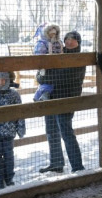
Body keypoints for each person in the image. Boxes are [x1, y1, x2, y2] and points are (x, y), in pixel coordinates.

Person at [37, 31, 86, 173]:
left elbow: (61, 77)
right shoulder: (56, 54)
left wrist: (46, 75)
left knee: (66, 132)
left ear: (78, 43)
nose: (69, 42)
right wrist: (44, 75)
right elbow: (40, 75)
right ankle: (56, 163)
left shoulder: (80, 58)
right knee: (51, 131)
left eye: (73, 40)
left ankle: (78, 167)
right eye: (67, 39)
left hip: (66, 100)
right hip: (51, 98)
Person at [33, 23, 63, 101]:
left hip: (57, 66)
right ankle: (41, 95)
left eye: (54, 33)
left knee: (54, 80)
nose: (53, 35)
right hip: (46, 68)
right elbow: (38, 56)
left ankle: (39, 95)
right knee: (49, 80)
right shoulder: (42, 43)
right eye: (51, 34)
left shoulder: (58, 42)